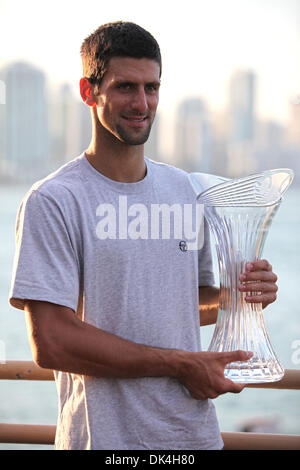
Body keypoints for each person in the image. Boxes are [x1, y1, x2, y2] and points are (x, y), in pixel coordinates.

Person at [9, 21, 278, 450]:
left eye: (152, 88)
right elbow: (53, 342)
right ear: (87, 91)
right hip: (103, 442)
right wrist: (179, 364)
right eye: (125, 87)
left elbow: (186, 305)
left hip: (194, 439)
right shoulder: (54, 199)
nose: (141, 102)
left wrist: (239, 295)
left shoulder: (188, 191)